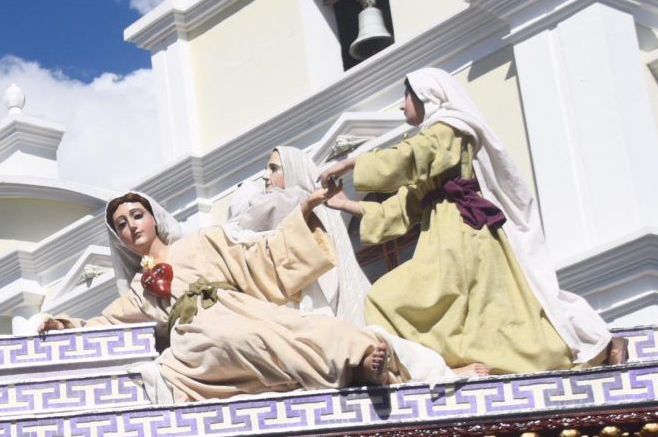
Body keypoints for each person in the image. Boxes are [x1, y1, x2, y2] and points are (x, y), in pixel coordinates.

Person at [317, 67, 617, 373]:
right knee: (470, 313)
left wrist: (350, 163)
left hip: (465, 235)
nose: (401, 105)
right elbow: (404, 207)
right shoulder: (436, 146)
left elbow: (411, 157)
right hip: (449, 238)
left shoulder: (451, 128)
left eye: (405, 96)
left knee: (461, 310)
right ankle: (456, 368)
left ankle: (598, 344)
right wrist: (344, 204)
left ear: (426, 95)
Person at [40, 189, 397, 402]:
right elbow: (104, 322)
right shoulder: (139, 290)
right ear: (120, 239)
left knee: (303, 330)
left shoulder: (201, 242)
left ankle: (363, 362)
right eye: (121, 224)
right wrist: (61, 324)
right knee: (234, 338)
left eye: (136, 215)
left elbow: (258, 257)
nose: (131, 225)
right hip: (195, 338)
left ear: (153, 219)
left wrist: (302, 212)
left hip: (237, 310)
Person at [221, 145, 453, 384]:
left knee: (337, 343)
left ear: (294, 172)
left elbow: (250, 223)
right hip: (290, 297)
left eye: (273, 168)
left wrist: (243, 200)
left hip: (305, 298)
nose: (265, 177)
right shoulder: (296, 202)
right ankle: (373, 367)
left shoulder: (290, 198)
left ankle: (384, 368)